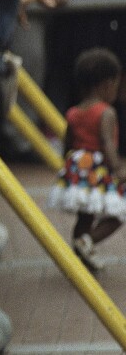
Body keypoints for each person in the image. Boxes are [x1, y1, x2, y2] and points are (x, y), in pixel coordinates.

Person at [49, 48, 126, 271]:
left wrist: (67, 166)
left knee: (84, 217)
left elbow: (67, 144)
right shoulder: (106, 112)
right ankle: (87, 242)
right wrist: (118, 168)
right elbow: (106, 142)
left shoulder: (73, 112)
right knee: (118, 213)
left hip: (78, 168)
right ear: (106, 84)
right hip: (97, 169)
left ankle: (80, 255)